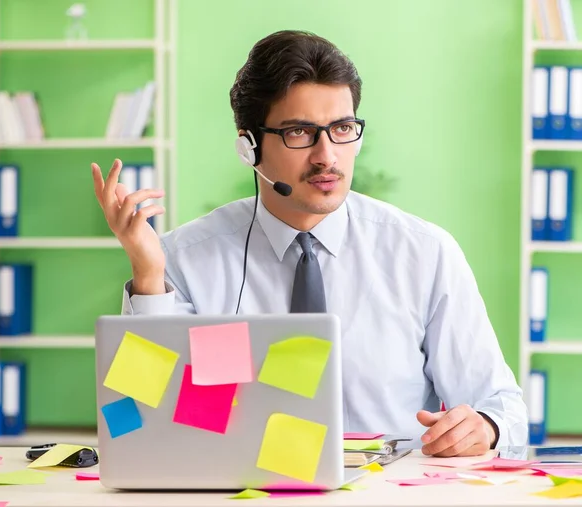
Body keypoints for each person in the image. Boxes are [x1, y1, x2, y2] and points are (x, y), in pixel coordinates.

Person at [91, 30, 528, 457]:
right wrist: (148, 274)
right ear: (249, 146)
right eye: (300, 133)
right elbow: (142, 420)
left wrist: (485, 427)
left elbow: (502, 406)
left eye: (342, 128)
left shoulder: (424, 254)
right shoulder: (184, 260)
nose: (327, 156)